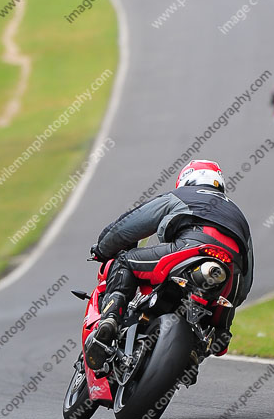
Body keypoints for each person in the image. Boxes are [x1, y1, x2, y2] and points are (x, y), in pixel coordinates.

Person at [84, 159, 254, 371]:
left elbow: (130, 226)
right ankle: (195, 354)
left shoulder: (182, 195)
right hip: (228, 273)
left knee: (124, 262)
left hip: (188, 250)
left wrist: (102, 248)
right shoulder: (238, 215)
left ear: (187, 179)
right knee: (219, 332)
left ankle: (110, 321)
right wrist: (225, 323)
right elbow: (245, 280)